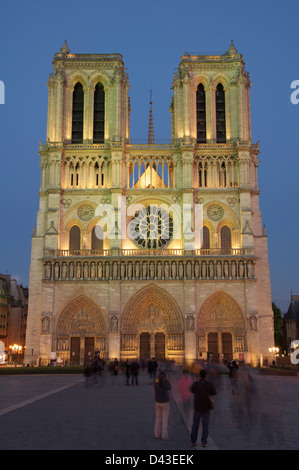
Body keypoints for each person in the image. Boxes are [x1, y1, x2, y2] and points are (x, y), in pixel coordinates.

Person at [190, 368, 217, 447]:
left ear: (199, 376)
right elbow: (214, 392)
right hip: (206, 407)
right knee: (205, 425)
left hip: (197, 407)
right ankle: (204, 441)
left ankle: (193, 441)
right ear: (206, 376)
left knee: (195, 425)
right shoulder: (209, 384)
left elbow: (192, 390)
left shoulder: (196, 384)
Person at [154, 371, 171, 440]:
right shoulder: (164, 384)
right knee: (165, 419)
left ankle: (156, 434)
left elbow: (156, 381)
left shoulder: (156, 383)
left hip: (158, 402)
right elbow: (169, 387)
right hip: (165, 403)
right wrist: (166, 381)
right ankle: (164, 435)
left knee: (158, 418)